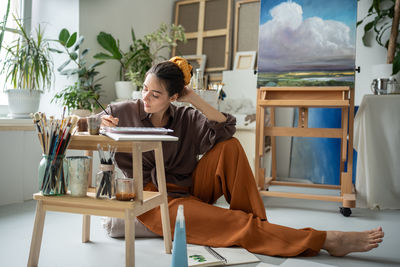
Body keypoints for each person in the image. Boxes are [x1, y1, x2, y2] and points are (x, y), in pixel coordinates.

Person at [97, 56, 384, 257]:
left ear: (173, 97)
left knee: (230, 145)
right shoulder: (124, 110)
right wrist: (100, 125)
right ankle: (325, 239)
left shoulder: (185, 114)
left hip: (192, 188)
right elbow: (78, 125)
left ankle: (263, 227)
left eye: (155, 94)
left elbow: (225, 127)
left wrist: (194, 98)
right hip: (153, 198)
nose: (145, 98)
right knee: (238, 224)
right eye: (145, 89)